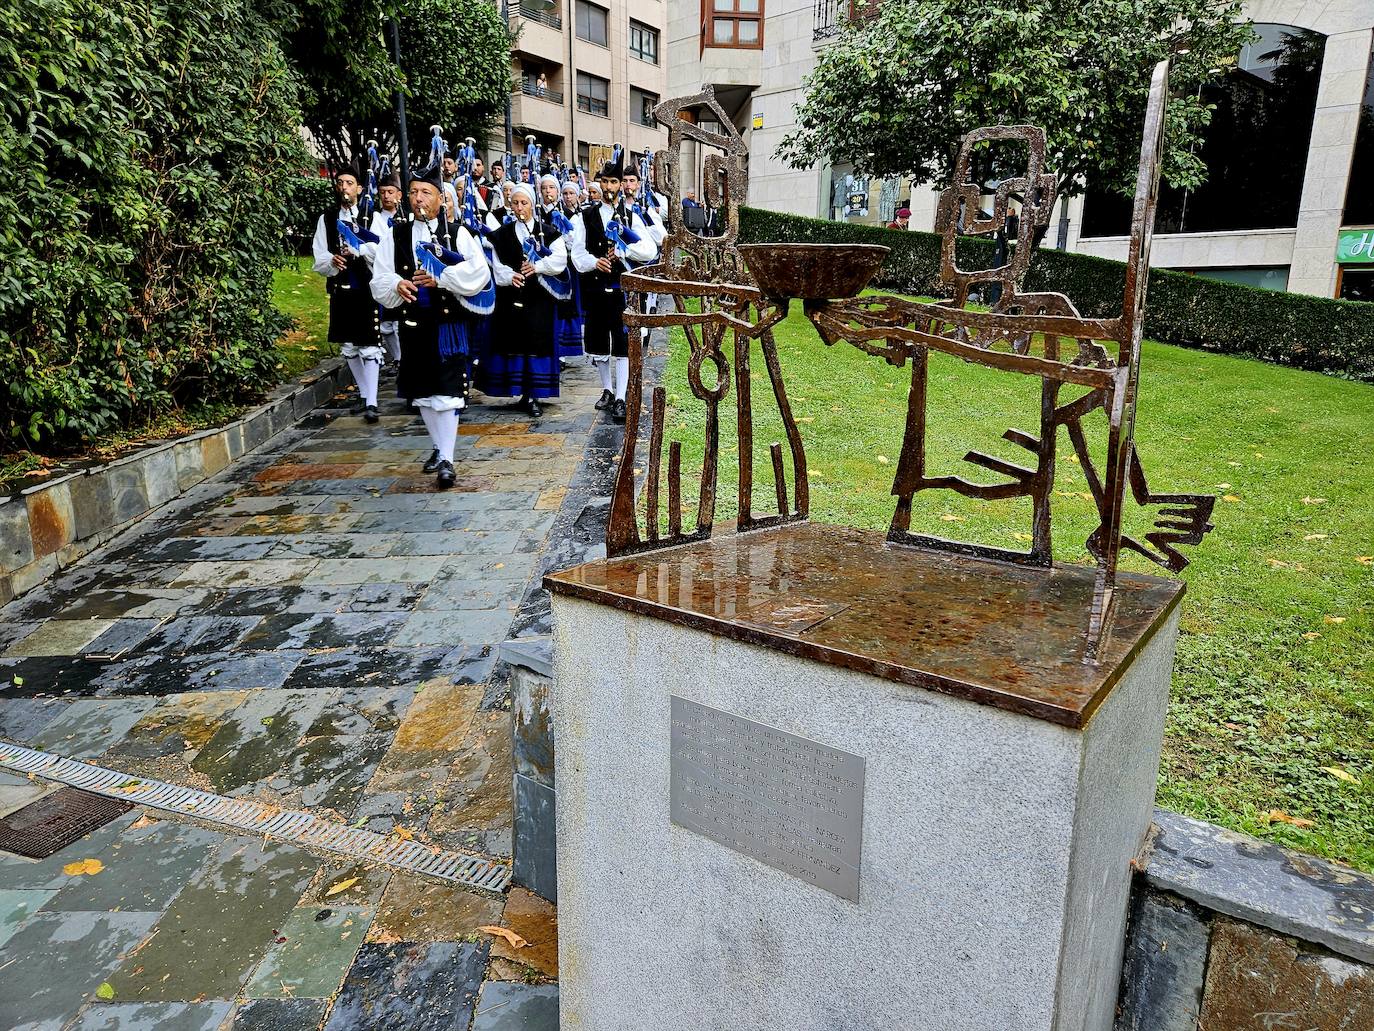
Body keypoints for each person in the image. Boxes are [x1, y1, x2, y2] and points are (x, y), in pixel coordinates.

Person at [370, 164, 492, 488]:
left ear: (441, 198)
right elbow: (379, 275)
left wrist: (442, 279)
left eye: (426, 192)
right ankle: (439, 449)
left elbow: (479, 273)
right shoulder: (395, 234)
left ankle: (448, 459)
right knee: (423, 392)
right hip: (413, 324)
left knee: (448, 391)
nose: (418, 198)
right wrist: (396, 284)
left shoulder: (458, 232)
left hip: (447, 326)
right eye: (413, 192)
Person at [570, 146, 655, 423]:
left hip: (623, 291)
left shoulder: (631, 215)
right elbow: (577, 253)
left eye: (614, 182)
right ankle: (607, 390)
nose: (609, 187)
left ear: (621, 185)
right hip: (597, 289)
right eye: (605, 182)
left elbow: (648, 249)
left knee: (621, 343)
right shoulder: (586, 216)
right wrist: (595, 262)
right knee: (599, 343)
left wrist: (623, 252)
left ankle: (621, 396)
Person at [482, 182, 568, 418]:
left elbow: (560, 261)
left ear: (533, 204)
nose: (520, 208)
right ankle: (521, 391)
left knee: (536, 342)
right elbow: (497, 267)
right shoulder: (501, 235)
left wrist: (537, 267)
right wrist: (510, 277)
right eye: (515, 203)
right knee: (515, 341)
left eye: (524, 203)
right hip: (512, 299)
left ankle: (534, 394)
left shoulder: (548, 233)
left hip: (539, 299)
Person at [312, 164, 383, 423]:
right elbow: (318, 254)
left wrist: (359, 251)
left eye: (349, 183)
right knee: (349, 345)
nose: (344, 187)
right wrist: (332, 260)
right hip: (341, 287)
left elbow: (383, 250)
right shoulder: (327, 219)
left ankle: (373, 401)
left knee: (369, 343)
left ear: (359, 188)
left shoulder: (371, 216)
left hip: (366, 286)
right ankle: (364, 395)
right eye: (340, 182)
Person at [370, 173, 405, 367]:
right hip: (384, 272)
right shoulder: (374, 219)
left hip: (404, 274)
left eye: (390, 192)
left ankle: (404, 358)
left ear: (399, 194)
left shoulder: (406, 216)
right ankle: (397, 356)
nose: (386, 196)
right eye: (382, 192)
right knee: (386, 324)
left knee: (401, 322)